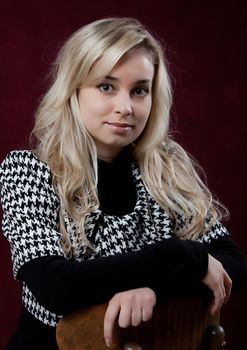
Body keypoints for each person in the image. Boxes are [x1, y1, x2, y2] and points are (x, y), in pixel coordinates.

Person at [0, 17, 246, 350]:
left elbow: (232, 263)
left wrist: (155, 291)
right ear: (74, 89)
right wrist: (177, 256)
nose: (125, 107)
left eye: (140, 90)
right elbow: (55, 287)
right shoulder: (28, 172)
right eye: (106, 86)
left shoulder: (165, 167)